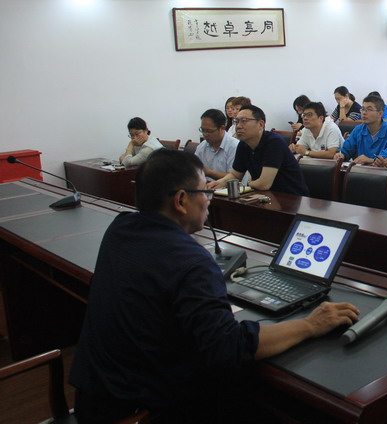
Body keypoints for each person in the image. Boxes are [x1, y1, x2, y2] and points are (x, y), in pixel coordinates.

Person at [70, 150, 359, 423]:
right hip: (141, 410)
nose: (209, 200)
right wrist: (309, 325)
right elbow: (228, 348)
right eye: (205, 192)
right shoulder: (190, 261)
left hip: (92, 398)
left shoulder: (120, 228)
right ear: (181, 200)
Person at [208, 105, 309, 195]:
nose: (238, 126)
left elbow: (263, 184)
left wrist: (246, 184)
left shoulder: (274, 142)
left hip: (292, 198)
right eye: (236, 121)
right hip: (265, 196)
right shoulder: (243, 144)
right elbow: (235, 174)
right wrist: (218, 183)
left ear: (261, 124)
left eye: (244, 120)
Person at [335, 95, 387, 164]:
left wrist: (371, 160)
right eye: (363, 109)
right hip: (359, 170)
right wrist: (341, 155)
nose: (364, 113)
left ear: (380, 113)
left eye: (369, 109)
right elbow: (346, 149)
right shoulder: (358, 130)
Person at [194, 109, 239, 182]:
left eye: (209, 131)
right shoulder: (202, 147)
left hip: (229, 188)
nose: (205, 134)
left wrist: (209, 172)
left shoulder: (234, 146)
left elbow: (236, 177)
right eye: (202, 130)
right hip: (206, 186)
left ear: (222, 128)